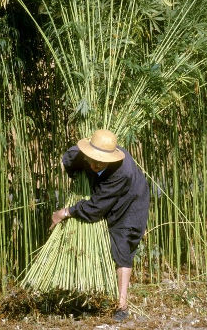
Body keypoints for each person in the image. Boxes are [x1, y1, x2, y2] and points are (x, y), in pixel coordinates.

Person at [50, 129, 150, 322]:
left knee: (122, 245)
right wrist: (78, 178)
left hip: (131, 201)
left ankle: (121, 305)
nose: (95, 165)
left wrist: (65, 212)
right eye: (92, 159)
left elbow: (95, 208)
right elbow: (68, 159)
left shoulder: (123, 172)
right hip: (104, 195)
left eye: (101, 162)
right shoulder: (81, 153)